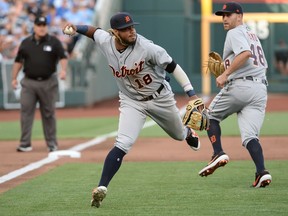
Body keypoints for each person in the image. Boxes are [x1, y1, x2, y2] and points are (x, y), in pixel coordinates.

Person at [63, 12, 203, 208]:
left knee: (178, 135)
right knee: (123, 142)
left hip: (159, 97)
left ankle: (188, 132)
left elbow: (174, 67)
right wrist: (76, 28)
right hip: (131, 101)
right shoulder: (106, 41)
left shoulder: (147, 47)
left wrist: (192, 95)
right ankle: (102, 187)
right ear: (114, 33)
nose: (131, 31)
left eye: (132, 27)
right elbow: (94, 32)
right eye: (126, 29)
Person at [198, 2, 272, 188]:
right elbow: (250, 58)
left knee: (209, 117)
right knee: (250, 137)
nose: (224, 18)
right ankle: (261, 172)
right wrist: (225, 68)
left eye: (228, 15)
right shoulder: (252, 34)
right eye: (222, 15)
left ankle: (218, 152)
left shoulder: (234, 32)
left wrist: (225, 73)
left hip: (241, 87)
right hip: (260, 90)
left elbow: (245, 54)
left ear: (239, 16)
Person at [11, 16, 68, 152]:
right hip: (29, 82)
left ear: (46, 26)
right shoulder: (25, 43)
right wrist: (14, 78)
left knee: (48, 113)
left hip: (48, 81)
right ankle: (25, 143)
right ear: (34, 27)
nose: (42, 27)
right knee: (26, 112)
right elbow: (18, 61)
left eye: (44, 24)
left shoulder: (54, 41)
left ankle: (51, 143)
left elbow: (63, 57)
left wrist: (63, 70)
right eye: (39, 24)